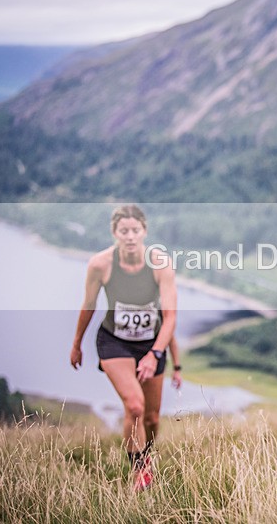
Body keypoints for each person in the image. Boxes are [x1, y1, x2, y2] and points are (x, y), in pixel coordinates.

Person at [69, 204, 178, 492]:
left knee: (152, 418)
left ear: (144, 231)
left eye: (135, 230)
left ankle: (146, 457)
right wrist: (77, 343)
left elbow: (170, 318)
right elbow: (88, 305)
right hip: (113, 341)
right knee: (135, 405)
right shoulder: (100, 264)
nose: (130, 236)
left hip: (151, 343)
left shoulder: (160, 264)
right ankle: (139, 470)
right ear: (114, 232)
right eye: (123, 231)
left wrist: (155, 354)